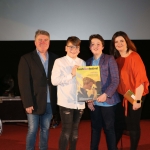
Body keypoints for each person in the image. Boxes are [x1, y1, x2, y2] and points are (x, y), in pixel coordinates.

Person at [18, 29, 57, 150]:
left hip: (50, 102)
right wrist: (27, 103)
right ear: (35, 42)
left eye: (46, 40)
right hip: (33, 102)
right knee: (32, 130)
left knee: (45, 129)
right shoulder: (26, 58)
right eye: (40, 40)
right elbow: (23, 83)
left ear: (49, 42)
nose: (43, 42)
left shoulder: (56, 59)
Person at [110, 31, 149, 150]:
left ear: (127, 42)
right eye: (116, 42)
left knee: (133, 125)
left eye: (122, 41)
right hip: (124, 95)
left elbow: (140, 80)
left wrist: (137, 100)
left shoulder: (134, 57)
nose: (119, 43)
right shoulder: (117, 60)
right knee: (122, 124)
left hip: (135, 95)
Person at [87, 34, 120, 150]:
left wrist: (106, 94)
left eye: (98, 44)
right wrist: (89, 100)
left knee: (109, 129)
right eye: (92, 44)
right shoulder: (88, 62)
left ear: (102, 46)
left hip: (108, 101)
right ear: (89, 47)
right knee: (95, 129)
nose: (95, 46)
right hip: (95, 103)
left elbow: (116, 80)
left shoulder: (110, 59)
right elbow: (86, 84)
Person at [51, 36, 85, 150]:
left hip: (79, 102)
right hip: (66, 101)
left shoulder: (82, 62)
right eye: (71, 47)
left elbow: (85, 83)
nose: (73, 49)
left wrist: (90, 95)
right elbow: (54, 81)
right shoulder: (59, 62)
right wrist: (71, 74)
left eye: (76, 47)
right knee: (66, 130)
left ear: (79, 49)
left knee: (75, 131)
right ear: (66, 48)